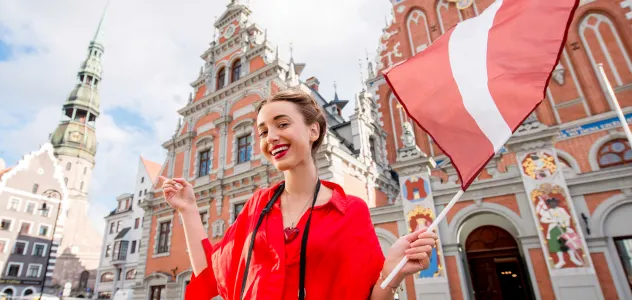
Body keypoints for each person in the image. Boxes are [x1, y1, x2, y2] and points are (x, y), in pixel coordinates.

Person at [161, 89, 437, 299]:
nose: (271, 137)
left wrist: (392, 271)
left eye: (282, 124)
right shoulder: (258, 205)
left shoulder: (350, 210)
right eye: (263, 131)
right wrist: (187, 210)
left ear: (313, 130)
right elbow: (211, 272)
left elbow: (370, 296)